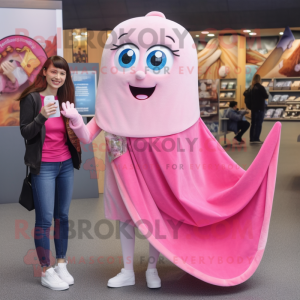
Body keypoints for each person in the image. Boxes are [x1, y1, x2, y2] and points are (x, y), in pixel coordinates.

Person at [19, 56, 82, 291]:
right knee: (44, 221)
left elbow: (73, 130)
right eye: (54, 72)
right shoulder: (32, 99)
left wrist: (76, 122)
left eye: (63, 73)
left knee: (62, 217)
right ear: (45, 72)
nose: (58, 77)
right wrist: (42, 115)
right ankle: (46, 269)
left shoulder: (66, 99)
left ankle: (61, 263)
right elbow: (26, 132)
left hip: (65, 164)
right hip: (43, 166)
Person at [245, 74, 269, 144]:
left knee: (253, 123)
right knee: (258, 123)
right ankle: (256, 138)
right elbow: (266, 96)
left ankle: (252, 138)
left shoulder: (251, 87)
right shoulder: (261, 87)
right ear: (259, 79)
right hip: (260, 108)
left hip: (253, 108)